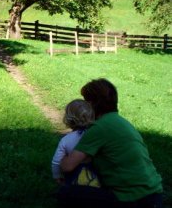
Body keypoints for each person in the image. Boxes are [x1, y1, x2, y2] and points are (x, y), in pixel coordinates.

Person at [58, 78, 163, 208]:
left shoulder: (99, 127)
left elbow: (67, 166)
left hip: (134, 198)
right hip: (154, 193)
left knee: (66, 193)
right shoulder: (121, 121)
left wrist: (62, 158)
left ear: (92, 104)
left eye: (85, 101)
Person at [51, 99, 100, 187]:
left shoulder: (66, 140)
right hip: (96, 176)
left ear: (68, 119)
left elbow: (56, 162)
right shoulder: (96, 136)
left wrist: (57, 176)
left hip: (73, 177)